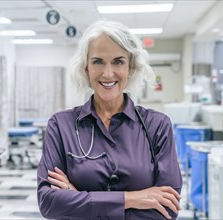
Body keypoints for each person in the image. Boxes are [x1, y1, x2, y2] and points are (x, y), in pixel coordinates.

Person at [37, 20, 182, 220]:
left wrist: (78, 197)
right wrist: (130, 199)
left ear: (130, 67)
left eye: (118, 61)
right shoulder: (61, 126)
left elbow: (168, 209)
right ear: (86, 68)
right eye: (97, 61)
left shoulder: (157, 126)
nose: (107, 73)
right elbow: (49, 203)